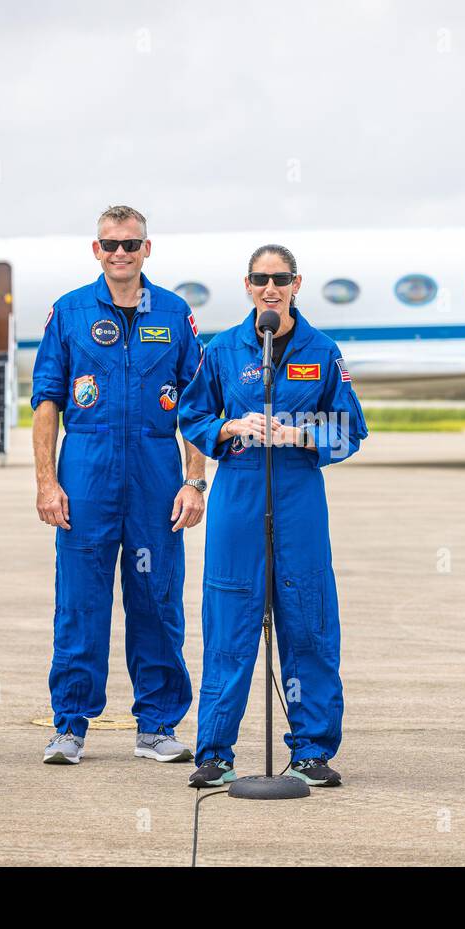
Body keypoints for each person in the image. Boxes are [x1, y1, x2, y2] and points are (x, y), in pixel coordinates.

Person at [177, 243, 368, 788]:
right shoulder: (224, 350)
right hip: (239, 498)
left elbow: (351, 429)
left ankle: (311, 750)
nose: (270, 288)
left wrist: (301, 434)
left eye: (280, 278)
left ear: (296, 284)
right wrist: (231, 428)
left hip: (297, 497)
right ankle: (215, 751)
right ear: (247, 285)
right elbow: (193, 415)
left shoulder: (322, 350)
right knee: (229, 625)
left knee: (308, 623)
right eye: (260, 279)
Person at [31, 205, 206, 766]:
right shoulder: (70, 312)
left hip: (155, 476)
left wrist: (194, 482)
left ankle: (156, 725)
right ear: (96, 249)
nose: (120, 253)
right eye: (110, 244)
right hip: (86, 472)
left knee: (156, 600)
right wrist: (47, 483)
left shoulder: (176, 314)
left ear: (147, 249)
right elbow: (46, 403)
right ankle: (70, 727)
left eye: (131, 244)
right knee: (80, 603)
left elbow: (197, 406)